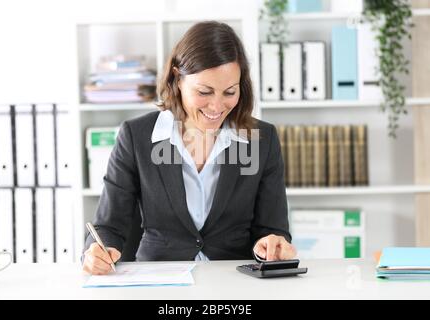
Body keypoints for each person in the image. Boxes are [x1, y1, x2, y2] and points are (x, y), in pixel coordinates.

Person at [83, 21, 296, 275]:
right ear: (178, 79)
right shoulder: (136, 136)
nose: (217, 107)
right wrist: (98, 251)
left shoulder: (262, 139)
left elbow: (274, 229)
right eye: (204, 92)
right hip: (160, 279)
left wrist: (274, 244)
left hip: (234, 280)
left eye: (230, 92)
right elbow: (108, 226)